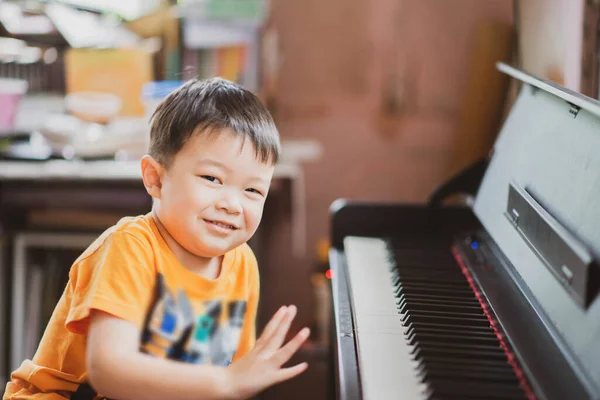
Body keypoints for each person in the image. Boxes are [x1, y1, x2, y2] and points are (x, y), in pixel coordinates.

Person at [4, 77, 310, 400]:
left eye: (252, 190)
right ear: (155, 178)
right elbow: (109, 371)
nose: (232, 204)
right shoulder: (131, 247)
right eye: (212, 178)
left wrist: (232, 383)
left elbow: (231, 379)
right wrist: (224, 383)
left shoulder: (243, 263)